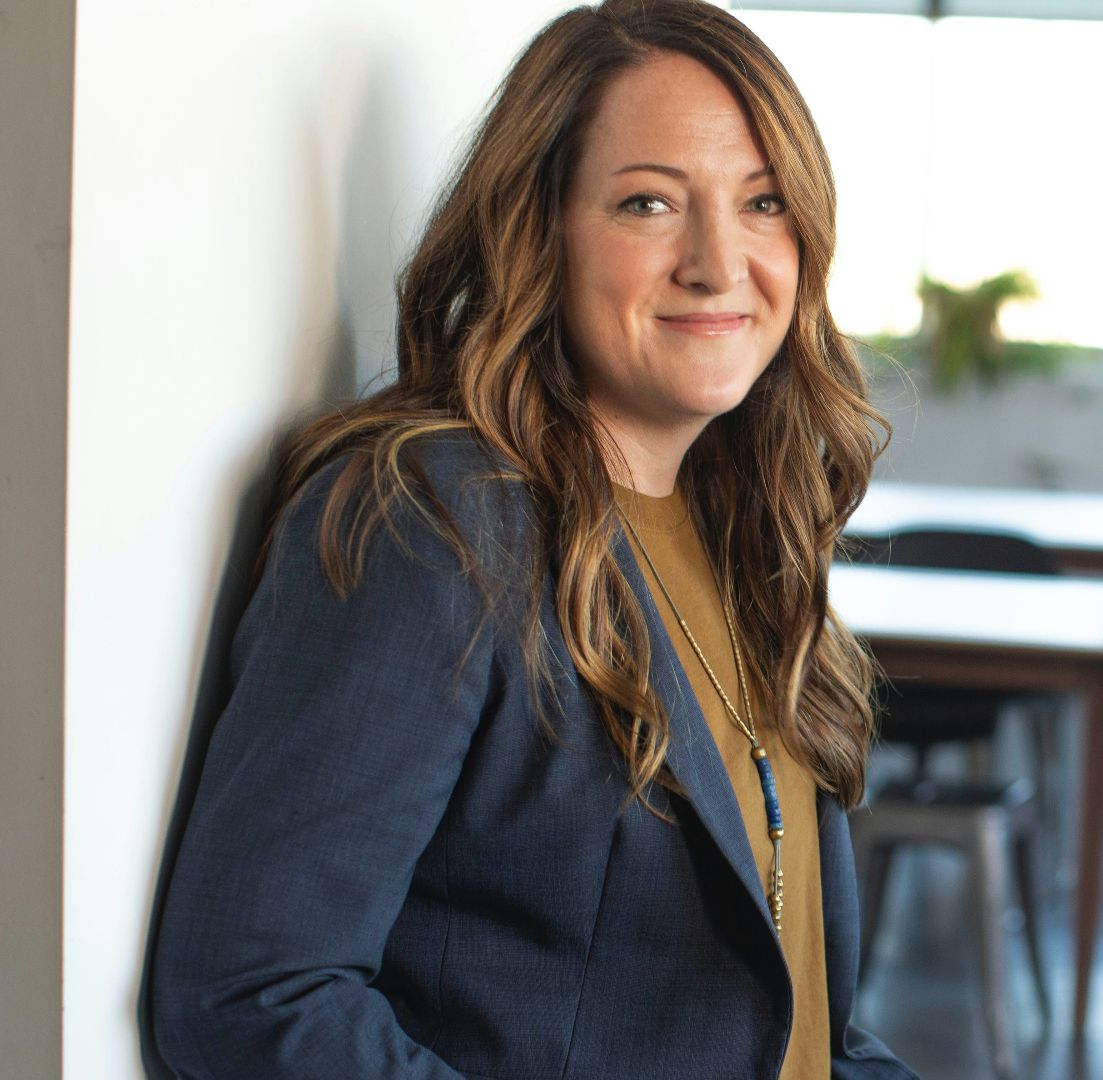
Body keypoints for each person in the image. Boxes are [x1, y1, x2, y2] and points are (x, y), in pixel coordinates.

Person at [149, 2, 915, 1077]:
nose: (718, 260)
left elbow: (787, 1021)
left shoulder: (747, 532)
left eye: (763, 203)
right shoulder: (435, 521)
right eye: (648, 202)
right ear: (539, 227)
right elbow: (250, 993)